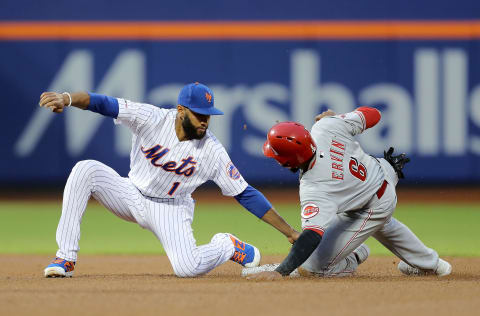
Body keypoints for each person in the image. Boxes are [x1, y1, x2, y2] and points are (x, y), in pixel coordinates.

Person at [39, 82, 299, 278]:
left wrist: (289, 232)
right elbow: (104, 103)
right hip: (130, 193)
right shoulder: (151, 118)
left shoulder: (212, 151)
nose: (205, 122)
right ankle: (65, 258)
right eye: (199, 114)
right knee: (85, 170)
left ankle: (227, 245)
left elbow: (245, 193)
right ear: (181, 111)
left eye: (208, 115)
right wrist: (67, 98)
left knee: (188, 268)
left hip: (170, 209)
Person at [244, 107, 452, 280]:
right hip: (382, 172)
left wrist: (281, 272)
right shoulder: (325, 127)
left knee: (311, 268)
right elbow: (374, 114)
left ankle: (352, 257)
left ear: (288, 161)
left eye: (276, 155)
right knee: (381, 222)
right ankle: (433, 265)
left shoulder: (315, 186)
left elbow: (311, 237)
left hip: (370, 204)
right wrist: (336, 119)